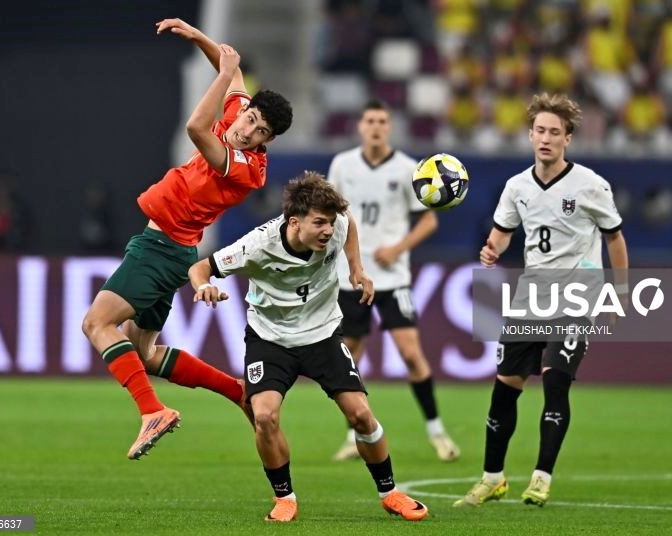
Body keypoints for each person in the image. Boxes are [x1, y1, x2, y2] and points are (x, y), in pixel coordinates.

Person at [81, 18, 293, 460]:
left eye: (260, 134)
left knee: (96, 324)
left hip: (161, 251)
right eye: (251, 120)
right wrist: (198, 37)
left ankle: (151, 411)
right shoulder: (238, 115)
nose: (247, 131)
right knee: (147, 353)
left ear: (267, 142)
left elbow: (197, 128)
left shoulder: (244, 167)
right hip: (173, 250)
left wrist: (220, 75)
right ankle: (237, 391)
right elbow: (233, 71)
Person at [188, 173, 428, 522]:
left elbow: (348, 224)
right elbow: (200, 268)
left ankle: (390, 493)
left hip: (322, 334)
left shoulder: (337, 224)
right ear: (294, 222)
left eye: (330, 222)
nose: (328, 230)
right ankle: (284, 498)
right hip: (270, 340)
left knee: (361, 415)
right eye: (319, 223)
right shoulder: (255, 246)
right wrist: (203, 286)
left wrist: (357, 269)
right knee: (265, 416)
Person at [454, 93, 628, 508]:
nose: (546, 138)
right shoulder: (517, 187)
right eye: (540, 131)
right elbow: (503, 231)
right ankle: (492, 478)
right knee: (504, 389)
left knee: (555, 380)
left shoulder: (590, 185)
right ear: (530, 135)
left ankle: (541, 477)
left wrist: (618, 292)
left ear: (568, 139)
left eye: (555, 132)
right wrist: (491, 249)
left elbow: (615, 238)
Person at [326, 99, 459, 462]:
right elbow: (329, 213)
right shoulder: (342, 165)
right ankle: (356, 436)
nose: (376, 127)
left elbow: (429, 220)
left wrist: (398, 247)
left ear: (390, 127)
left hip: (393, 277)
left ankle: (437, 431)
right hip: (351, 276)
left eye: (383, 121)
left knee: (411, 353)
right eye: (370, 120)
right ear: (360, 125)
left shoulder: (407, 169)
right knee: (350, 358)